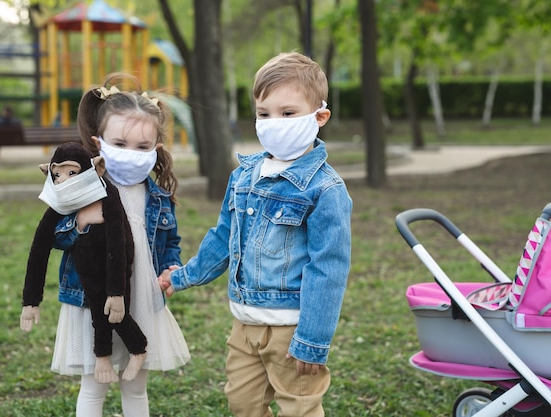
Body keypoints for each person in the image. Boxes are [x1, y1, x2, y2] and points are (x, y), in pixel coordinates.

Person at [159, 51, 353, 417]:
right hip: (244, 322)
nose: (272, 122)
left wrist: (312, 339)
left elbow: (328, 269)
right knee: (242, 404)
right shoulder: (243, 177)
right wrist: (182, 276)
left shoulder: (326, 190)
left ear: (319, 117)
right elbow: (222, 238)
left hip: (291, 327)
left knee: (299, 408)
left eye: (288, 113)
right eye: (264, 113)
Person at [46, 74, 190, 417]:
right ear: (100, 142)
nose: (131, 154)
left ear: (155, 148)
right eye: (120, 144)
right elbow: (56, 237)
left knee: (135, 385)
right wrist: (80, 223)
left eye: (142, 148)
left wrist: (171, 267)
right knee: (95, 384)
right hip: (93, 299)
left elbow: (169, 242)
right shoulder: (84, 190)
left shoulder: (158, 196)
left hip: (141, 295)